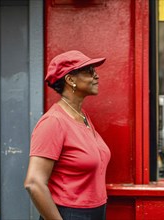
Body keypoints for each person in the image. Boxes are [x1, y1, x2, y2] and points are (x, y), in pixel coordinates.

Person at [24, 50, 111, 220]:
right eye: (89, 71)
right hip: (69, 214)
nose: (96, 76)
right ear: (70, 80)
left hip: (96, 212)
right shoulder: (53, 122)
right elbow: (34, 183)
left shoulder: (82, 116)